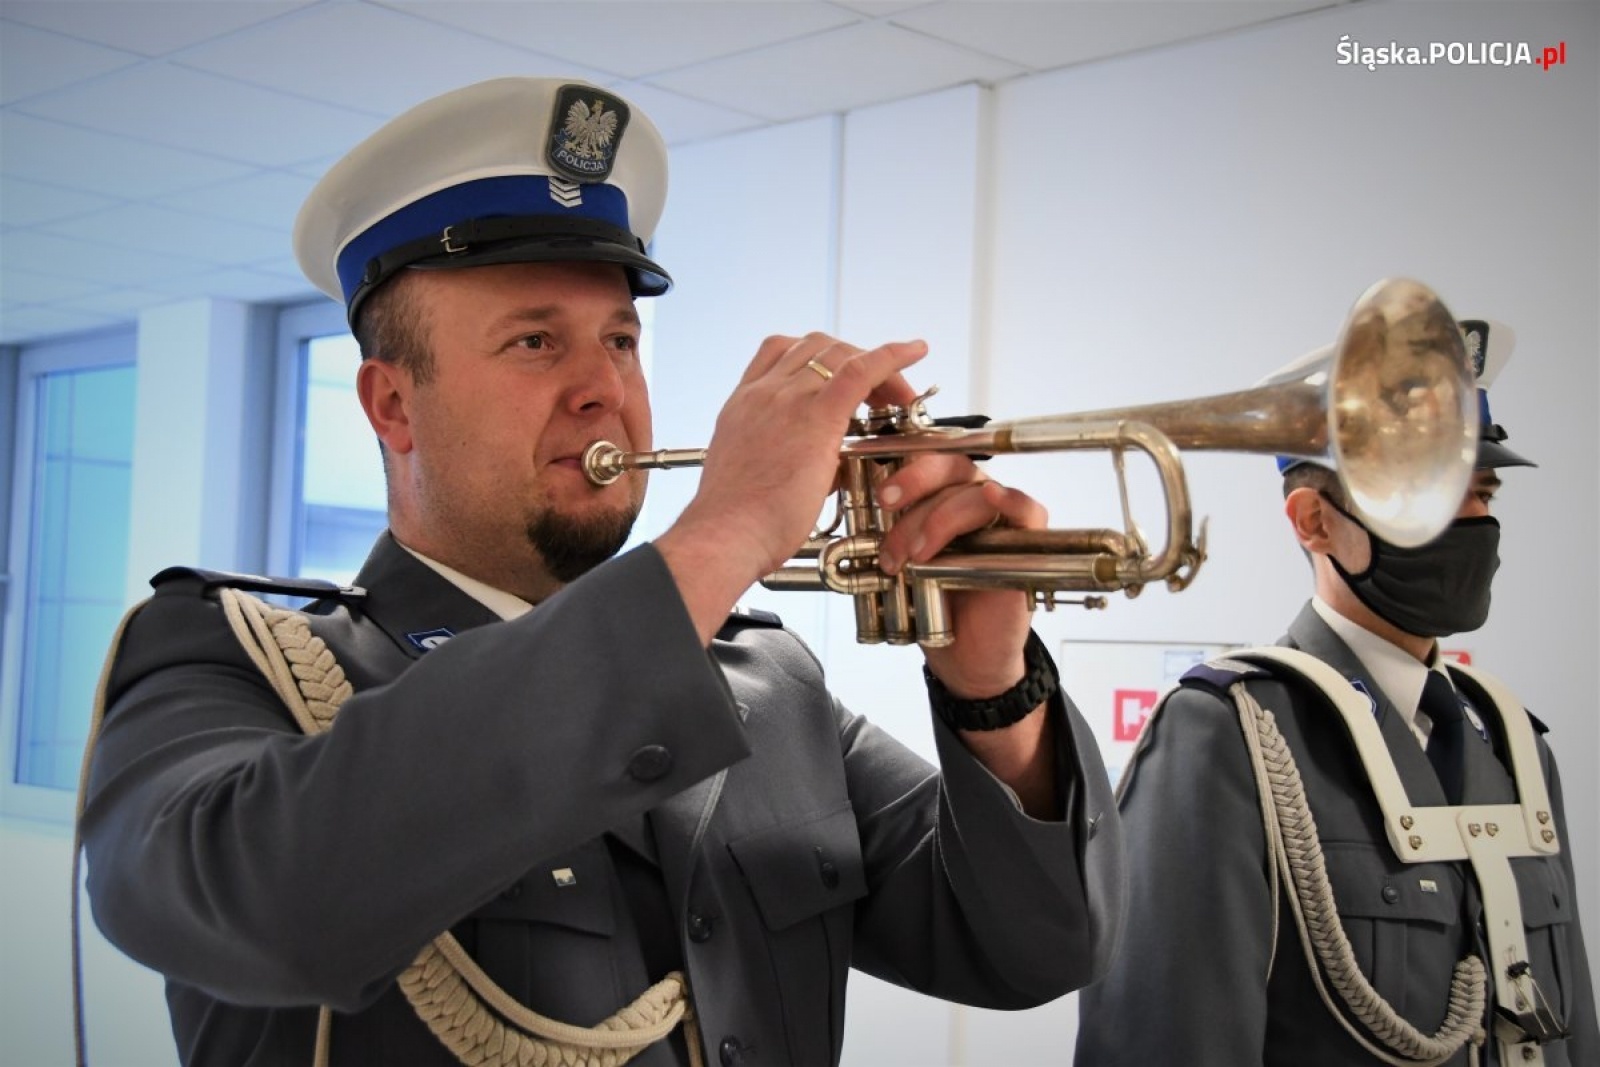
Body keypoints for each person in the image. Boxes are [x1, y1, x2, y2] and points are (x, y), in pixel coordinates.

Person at [77, 77, 1124, 1067]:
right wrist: (722, 533)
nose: (603, 389)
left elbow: (1031, 948)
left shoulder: (769, 683)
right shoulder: (229, 656)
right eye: (536, 342)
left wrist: (992, 687)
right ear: (393, 405)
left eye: (620, 340)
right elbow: (266, 903)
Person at [1075, 319, 1596, 1066]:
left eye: (1481, 491)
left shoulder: (1513, 745)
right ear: (1314, 520)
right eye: (1429, 493)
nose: (1475, 521)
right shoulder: (1227, 737)